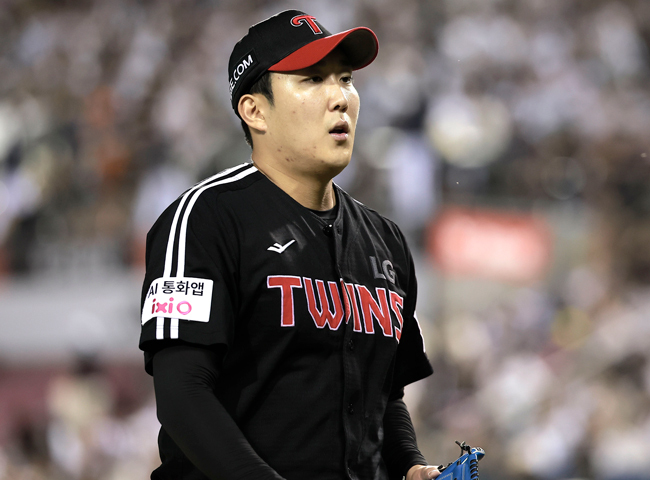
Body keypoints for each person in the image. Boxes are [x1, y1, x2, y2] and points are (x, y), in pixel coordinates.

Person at [138, 9, 440, 480]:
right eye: (313, 79)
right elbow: (183, 395)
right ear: (255, 111)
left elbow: (386, 396)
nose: (339, 98)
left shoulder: (386, 240)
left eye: (345, 79)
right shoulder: (204, 218)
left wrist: (410, 464)